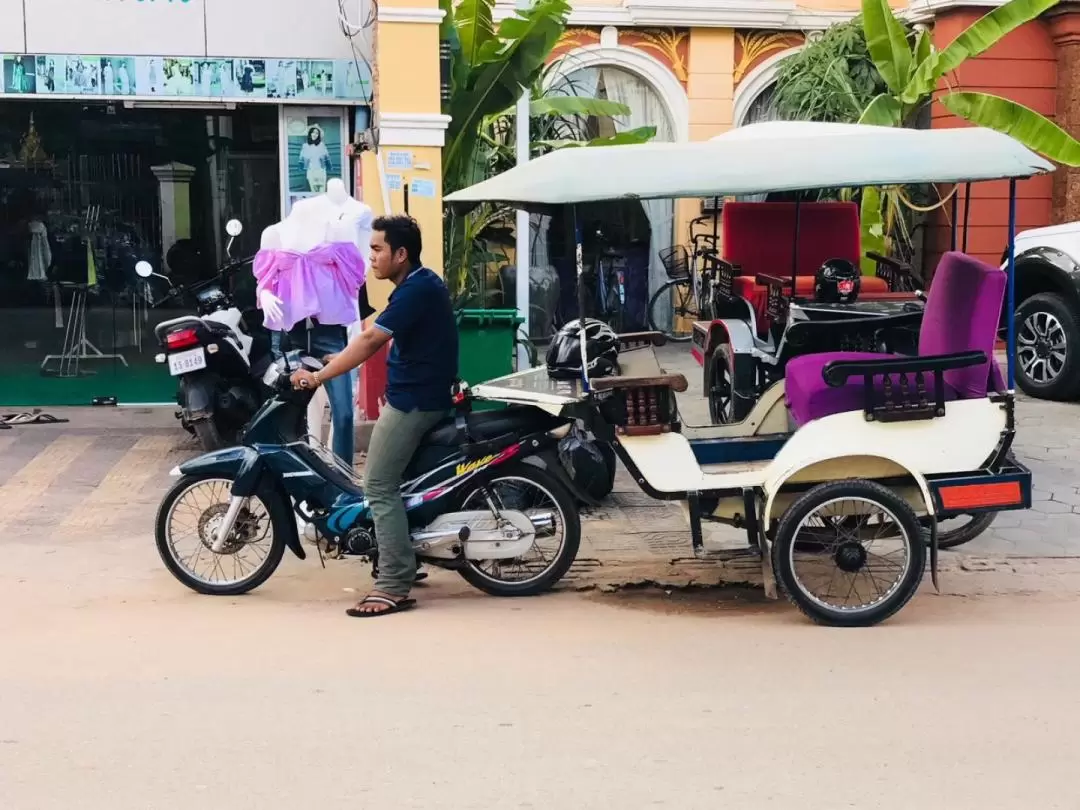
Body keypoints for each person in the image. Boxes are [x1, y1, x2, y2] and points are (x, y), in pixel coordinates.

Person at [290, 215, 458, 617]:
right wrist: (336, 359)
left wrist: (319, 377)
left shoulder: (416, 289)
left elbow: (369, 340)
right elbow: (375, 331)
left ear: (402, 254)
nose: (372, 259)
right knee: (400, 484)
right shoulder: (417, 284)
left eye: (378, 250)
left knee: (378, 486)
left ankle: (394, 584)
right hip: (418, 395)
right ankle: (405, 556)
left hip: (415, 403)